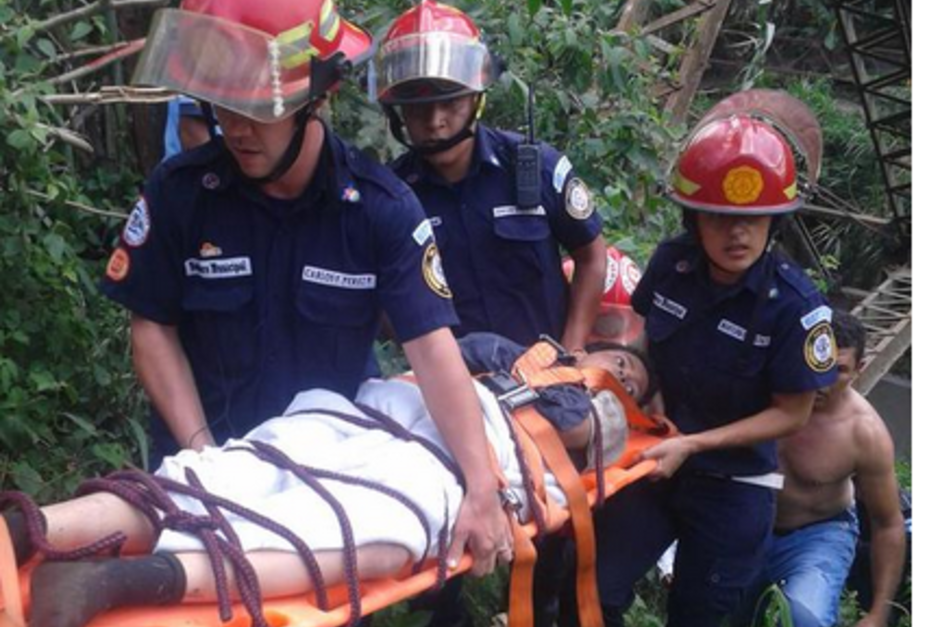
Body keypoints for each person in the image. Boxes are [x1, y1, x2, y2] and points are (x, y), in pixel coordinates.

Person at [100, 0, 509, 575]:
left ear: (318, 98)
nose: (234, 127)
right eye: (223, 105)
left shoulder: (379, 210)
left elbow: (433, 352)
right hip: (196, 477)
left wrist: (481, 486)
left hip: (322, 494)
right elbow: (152, 325)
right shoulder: (181, 193)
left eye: (257, 109)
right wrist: (205, 460)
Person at [1, 339, 653, 627]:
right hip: (377, 415)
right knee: (243, 468)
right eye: (619, 361)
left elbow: (576, 435)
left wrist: (586, 385)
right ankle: (37, 526)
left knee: (372, 530)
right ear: (594, 343)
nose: (622, 376)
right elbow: (445, 354)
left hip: (449, 469)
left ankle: (112, 581)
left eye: (635, 383)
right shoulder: (512, 347)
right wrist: (545, 364)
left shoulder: (600, 416)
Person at [581, 93, 839, 627]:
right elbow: (649, 340)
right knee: (592, 588)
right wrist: (619, 376)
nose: (737, 233)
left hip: (734, 488)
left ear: (777, 221)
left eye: (755, 219)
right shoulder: (672, 264)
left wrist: (694, 444)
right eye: (719, 218)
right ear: (693, 217)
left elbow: (793, 412)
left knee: (701, 616)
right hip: (655, 462)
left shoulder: (797, 308)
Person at [374, 0, 608, 352]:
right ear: (400, 113)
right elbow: (379, 293)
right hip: (458, 391)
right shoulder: (392, 197)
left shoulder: (535, 168)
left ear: (476, 100)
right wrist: (427, 358)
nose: (435, 121)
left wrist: (570, 354)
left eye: (450, 103)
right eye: (419, 108)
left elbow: (591, 256)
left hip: (549, 379)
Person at [737, 310, 907, 627]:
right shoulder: (756, 392)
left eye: (839, 370)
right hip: (743, 523)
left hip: (818, 534)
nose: (822, 381)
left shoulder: (863, 432)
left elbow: (888, 523)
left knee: (806, 618)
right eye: (818, 364)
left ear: (860, 369)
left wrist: (878, 613)